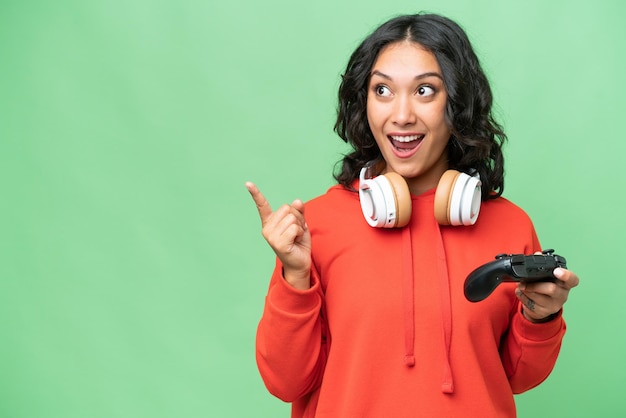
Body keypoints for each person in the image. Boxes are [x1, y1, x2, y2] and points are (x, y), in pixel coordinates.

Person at [246, 12, 579, 418]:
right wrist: (294, 278)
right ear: (363, 101)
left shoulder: (510, 225)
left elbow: (519, 378)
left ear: (457, 102)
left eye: (424, 90)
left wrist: (542, 316)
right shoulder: (317, 225)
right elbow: (285, 382)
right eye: (382, 90)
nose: (401, 115)